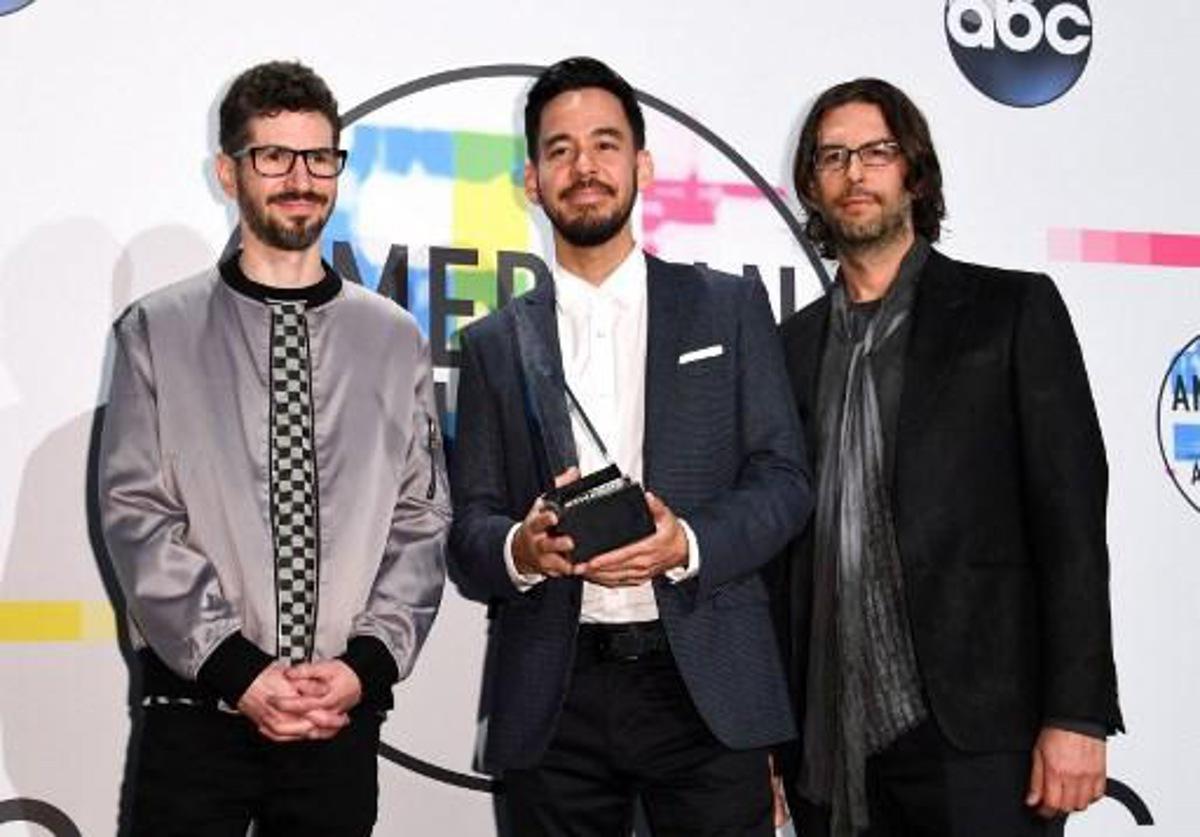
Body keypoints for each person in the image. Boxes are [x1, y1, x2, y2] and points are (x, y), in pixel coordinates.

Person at [448, 56, 811, 836]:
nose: (585, 166)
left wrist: (689, 542)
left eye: (606, 144)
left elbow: (785, 480)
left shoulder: (730, 306)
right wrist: (521, 547)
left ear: (642, 164)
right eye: (560, 149)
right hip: (556, 690)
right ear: (531, 181)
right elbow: (468, 528)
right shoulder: (491, 345)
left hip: (706, 681)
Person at [98, 60, 448, 836]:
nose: (300, 178)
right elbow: (136, 516)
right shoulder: (158, 329)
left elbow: (421, 518)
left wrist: (362, 668)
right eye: (274, 156)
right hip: (195, 717)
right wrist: (238, 669)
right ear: (229, 171)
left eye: (319, 157)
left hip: (338, 724)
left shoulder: (392, 338)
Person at [775, 77, 1123, 836]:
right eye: (832, 157)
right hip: (828, 742)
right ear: (811, 184)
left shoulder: (1011, 313)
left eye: (876, 152)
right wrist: (768, 745)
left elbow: (1070, 525)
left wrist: (1077, 712)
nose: (855, 173)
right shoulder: (787, 351)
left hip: (980, 736)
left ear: (914, 172)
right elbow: (779, 560)